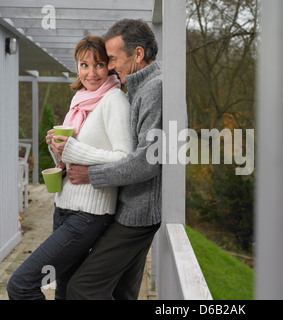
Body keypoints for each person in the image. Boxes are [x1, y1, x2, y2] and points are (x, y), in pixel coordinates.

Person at [7, 36, 133, 300]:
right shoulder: (80, 101)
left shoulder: (114, 101)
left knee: (21, 285)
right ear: (77, 67)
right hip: (63, 208)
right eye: (84, 65)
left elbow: (126, 159)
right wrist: (57, 150)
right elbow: (71, 159)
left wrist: (72, 148)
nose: (91, 72)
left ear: (109, 66)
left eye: (98, 65)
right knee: (65, 291)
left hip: (88, 215)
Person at [65, 19, 162, 300]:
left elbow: (147, 161)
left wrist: (91, 175)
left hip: (138, 214)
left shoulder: (154, 89)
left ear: (139, 54)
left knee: (81, 289)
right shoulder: (139, 86)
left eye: (113, 59)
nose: (108, 67)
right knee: (124, 293)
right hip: (132, 208)